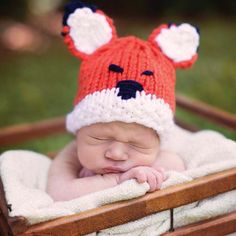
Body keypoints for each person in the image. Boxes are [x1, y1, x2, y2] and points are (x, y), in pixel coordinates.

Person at [46, 1, 200, 201]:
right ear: (79, 131)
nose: (116, 154)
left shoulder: (160, 156)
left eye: (137, 145)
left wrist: (148, 171)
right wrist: (119, 182)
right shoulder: (72, 155)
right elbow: (58, 192)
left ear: (158, 142)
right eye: (99, 139)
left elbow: (176, 167)